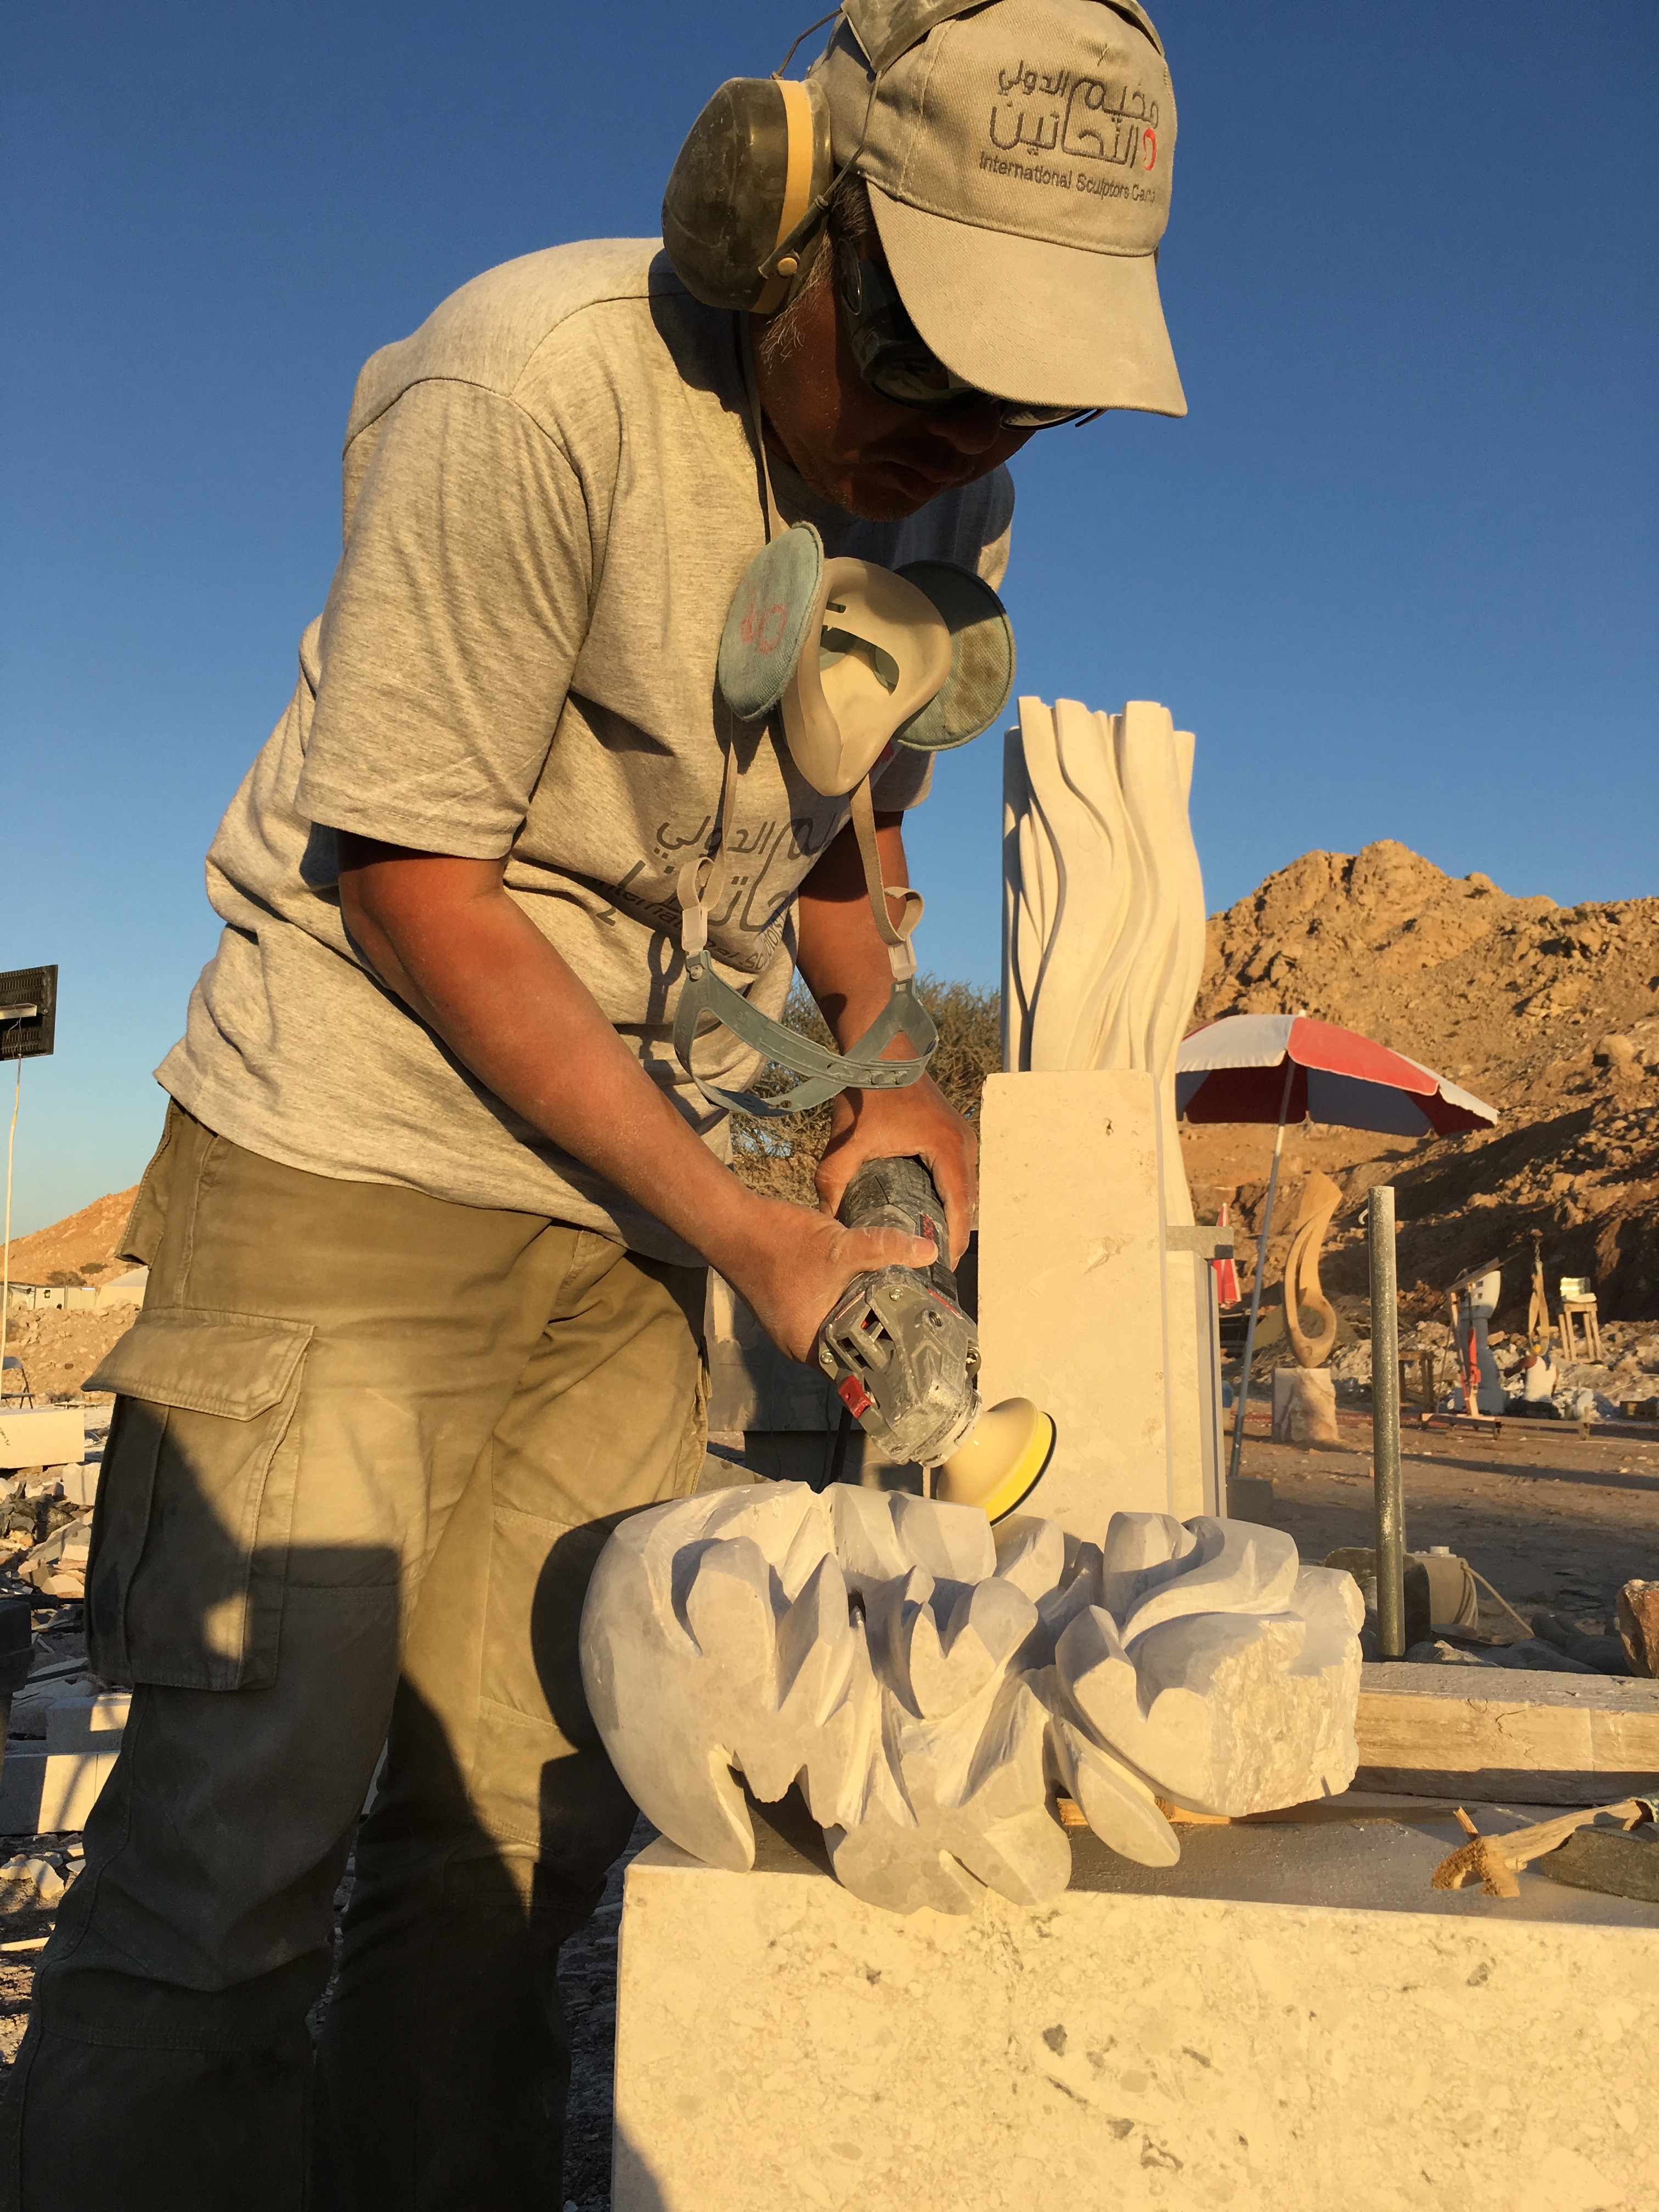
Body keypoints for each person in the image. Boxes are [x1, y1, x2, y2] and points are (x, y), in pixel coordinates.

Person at [0, 0, 1183, 2202]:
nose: (965, 433)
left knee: (507, 1858)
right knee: (231, 1868)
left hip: (634, 1214)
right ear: (778, 225)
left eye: (1029, 394)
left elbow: (846, 823)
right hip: (355, 1160)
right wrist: (755, 1232)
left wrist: (882, 1074)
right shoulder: (530, 386)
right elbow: (414, 882)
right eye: (926, 360)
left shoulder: (960, 489)